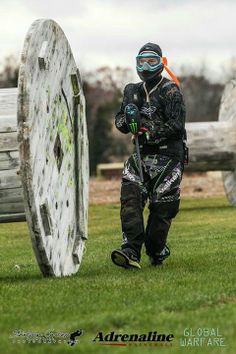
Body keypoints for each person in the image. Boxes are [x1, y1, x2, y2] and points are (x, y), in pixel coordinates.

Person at [111, 42, 187, 269]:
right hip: (140, 155)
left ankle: (156, 250)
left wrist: (147, 128)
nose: (145, 65)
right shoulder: (131, 90)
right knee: (130, 200)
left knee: (162, 211)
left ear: (162, 63)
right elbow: (120, 123)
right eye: (141, 61)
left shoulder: (170, 90)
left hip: (170, 157)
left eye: (151, 61)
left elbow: (177, 126)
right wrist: (128, 120)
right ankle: (130, 250)